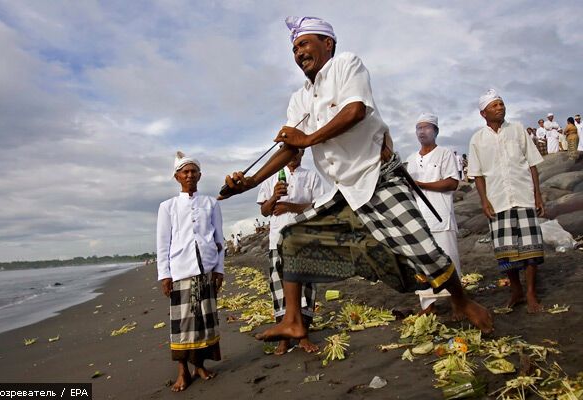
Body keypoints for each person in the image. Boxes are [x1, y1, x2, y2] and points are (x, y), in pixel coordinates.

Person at [220, 16, 493, 338]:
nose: (299, 53)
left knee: (422, 248)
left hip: (379, 176)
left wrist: (306, 140)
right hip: (346, 188)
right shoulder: (300, 98)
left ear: (328, 44)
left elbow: (355, 111)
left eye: (304, 44)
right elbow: (289, 146)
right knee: (291, 238)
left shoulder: (346, 65)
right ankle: (293, 320)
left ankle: (462, 301)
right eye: (294, 48)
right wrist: (249, 183)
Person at [468, 89, 545, 314]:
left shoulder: (518, 130)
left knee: (531, 250)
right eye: (495, 105)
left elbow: (532, 164)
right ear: (483, 113)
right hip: (498, 200)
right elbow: (478, 175)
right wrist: (484, 201)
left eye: (501, 104)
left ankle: (531, 293)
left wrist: (538, 195)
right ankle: (516, 290)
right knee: (506, 252)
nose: (500, 107)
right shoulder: (477, 139)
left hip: (523, 195)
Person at [156, 152, 225, 392]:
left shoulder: (211, 203)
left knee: (204, 321)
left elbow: (219, 239)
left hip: (206, 268)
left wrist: (219, 269)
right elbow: (163, 243)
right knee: (183, 324)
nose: (189, 175)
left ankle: (200, 365)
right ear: (177, 177)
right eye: (184, 171)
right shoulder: (168, 207)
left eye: (193, 171)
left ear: (200, 175)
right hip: (181, 271)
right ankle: (183, 370)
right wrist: (164, 275)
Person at [257, 148, 325, 355]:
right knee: (279, 289)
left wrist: (291, 207)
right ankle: (284, 338)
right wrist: (274, 198)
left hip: (304, 237)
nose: (294, 156)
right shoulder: (270, 178)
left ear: (302, 154)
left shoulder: (311, 175)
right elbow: (264, 211)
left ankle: (303, 335)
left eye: (297, 152)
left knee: (305, 287)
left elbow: (320, 204)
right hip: (278, 238)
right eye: (289, 152)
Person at [407, 113, 462, 314]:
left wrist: (420, 184)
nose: (422, 131)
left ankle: (458, 302)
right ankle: (428, 305)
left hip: (441, 215)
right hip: (420, 219)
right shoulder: (411, 160)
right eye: (419, 128)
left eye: (427, 127)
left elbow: (452, 183)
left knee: (449, 258)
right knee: (423, 262)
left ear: (436, 131)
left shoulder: (444, 154)